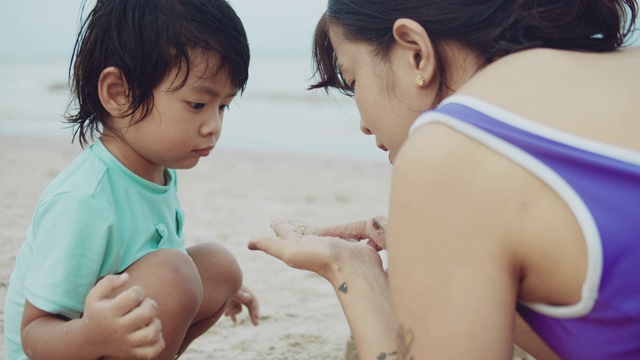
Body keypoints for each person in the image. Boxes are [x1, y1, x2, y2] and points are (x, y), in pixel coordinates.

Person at [248, 0, 640, 358]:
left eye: (353, 82)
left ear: (415, 53)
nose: (364, 126)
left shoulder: (451, 147)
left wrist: (351, 271)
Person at [3, 0, 260, 359]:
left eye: (224, 106)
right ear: (118, 93)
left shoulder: (155, 170)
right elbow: (31, 333)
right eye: (198, 105)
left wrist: (220, 291)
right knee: (175, 273)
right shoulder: (83, 200)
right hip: (65, 346)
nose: (214, 126)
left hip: (111, 335)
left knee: (219, 268)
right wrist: (93, 336)